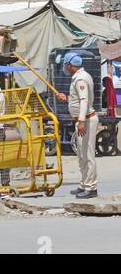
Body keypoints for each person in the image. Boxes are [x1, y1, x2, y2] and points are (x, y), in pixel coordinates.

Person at [56, 52, 99, 199]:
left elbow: (84, 101)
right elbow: (77, 99)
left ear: (70, 65)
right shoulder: (80, 77)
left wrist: (81, 121)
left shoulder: (80, 79)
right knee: (81, 154)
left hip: (86, 120)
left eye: (66, 65)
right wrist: (66, 98)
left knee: (87, 154)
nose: (65, 68)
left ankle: (91, 187)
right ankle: (84, 184)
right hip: (82, 120)